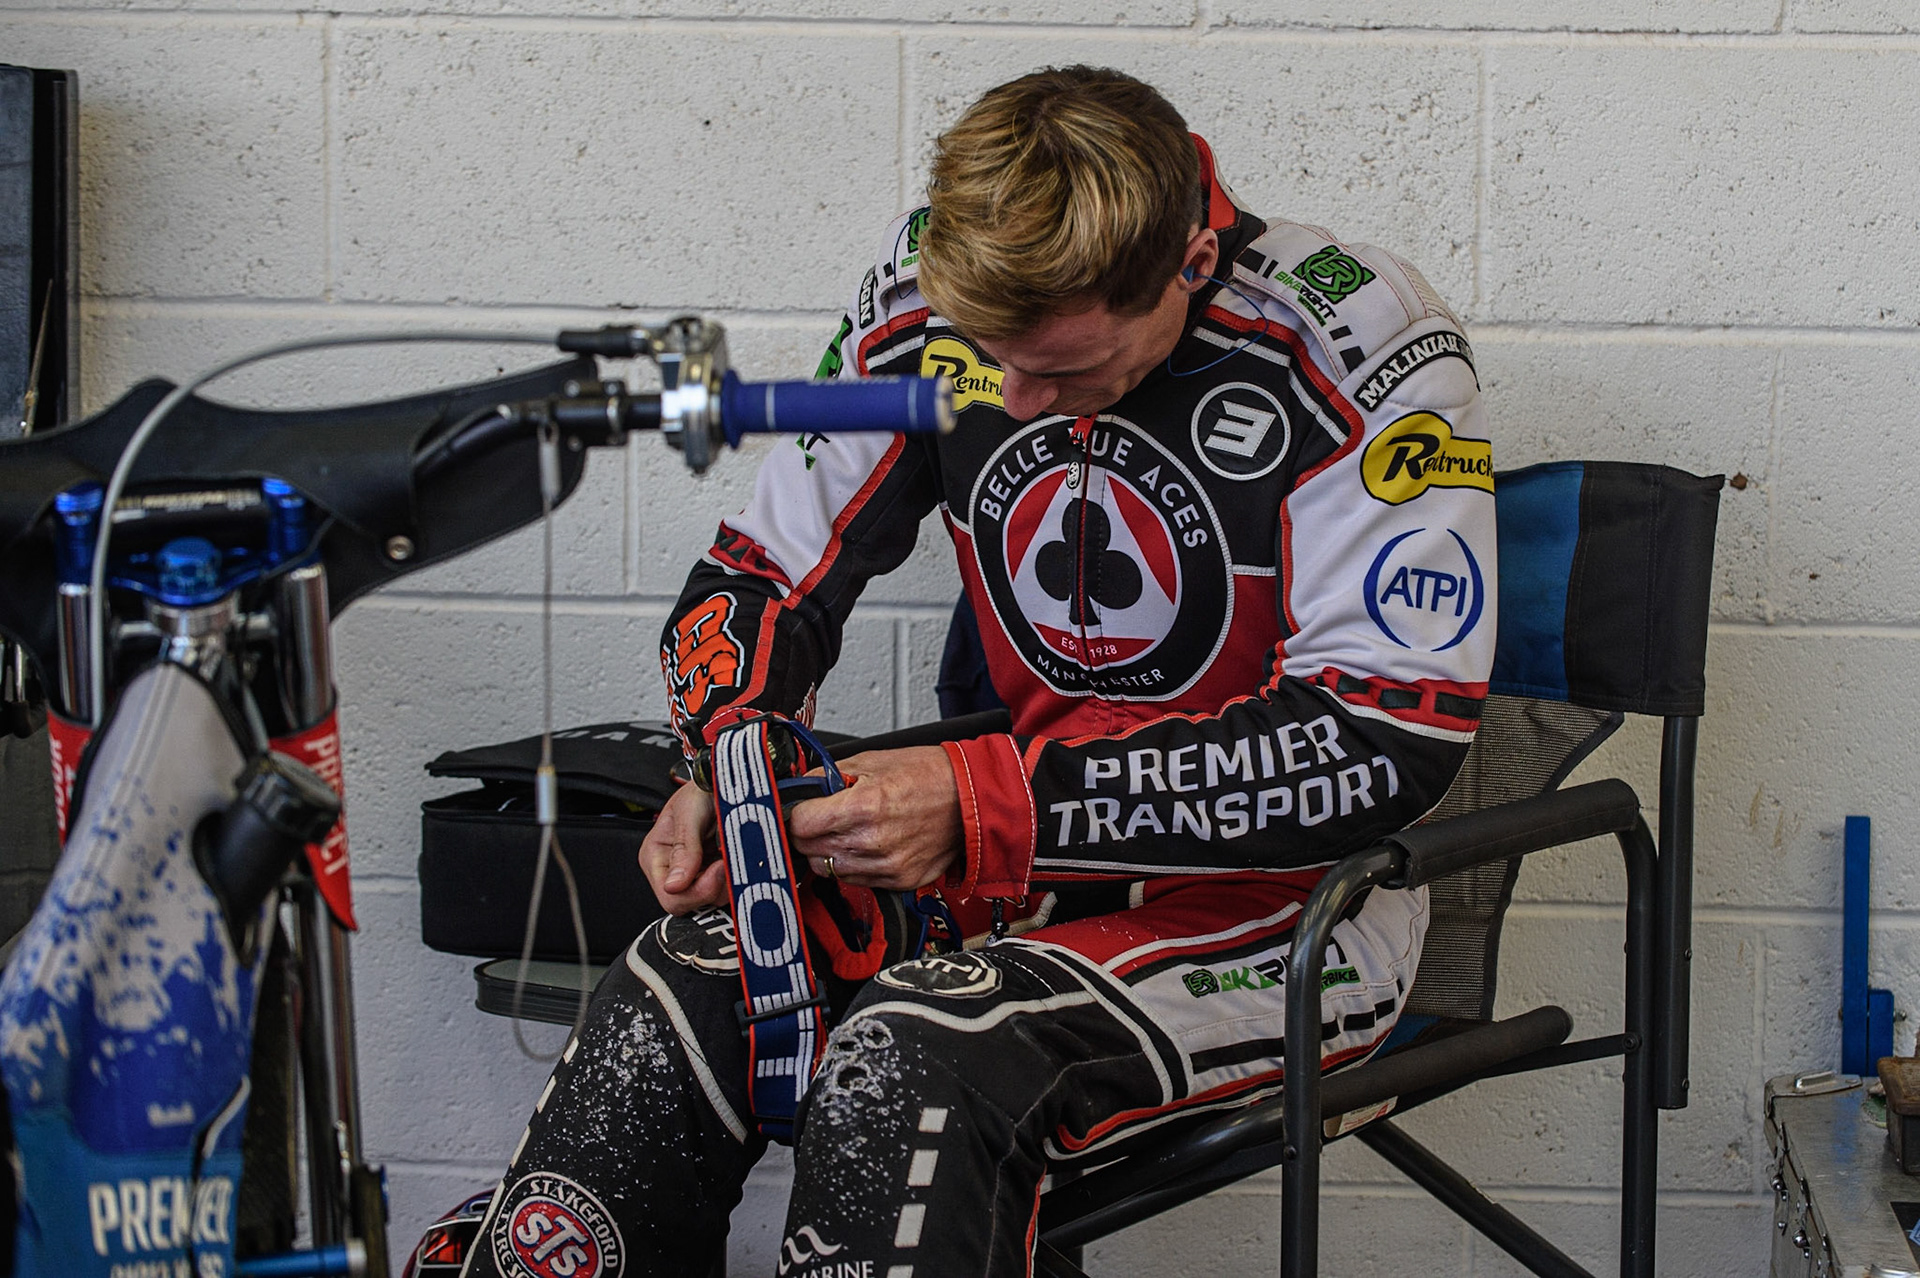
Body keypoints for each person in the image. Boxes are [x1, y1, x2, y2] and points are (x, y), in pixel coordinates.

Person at [462, 65, 1495, 1278]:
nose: (1011, 399)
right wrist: (727, 758)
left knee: (921, 1049)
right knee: (676, 984)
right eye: (989, 356)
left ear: (1189, 269)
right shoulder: (919, 297)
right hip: (1013, 875)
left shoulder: (1356, 335)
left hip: (1291, 914)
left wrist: (981, 802)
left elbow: (1383, 743)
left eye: (1060, 369)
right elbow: (759, 579)